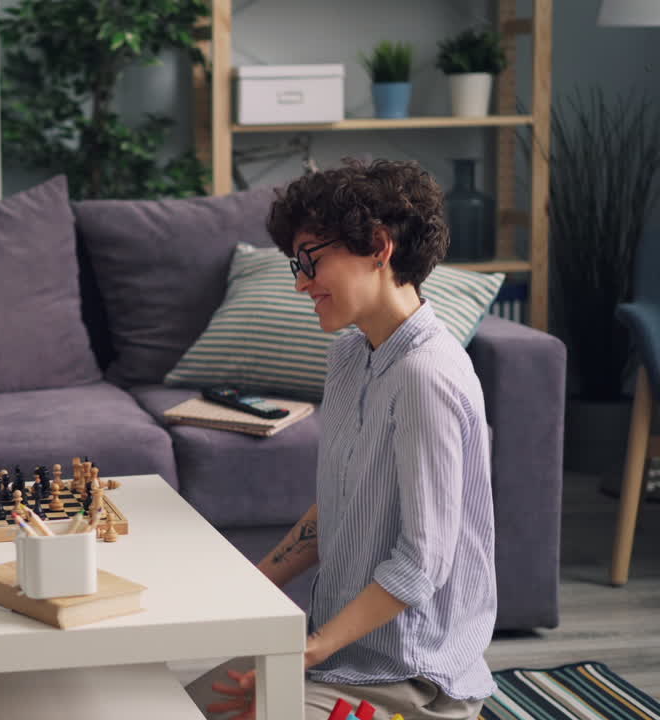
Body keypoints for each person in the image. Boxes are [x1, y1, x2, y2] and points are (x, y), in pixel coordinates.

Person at [186, 159, 496, 720]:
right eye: (294, 265)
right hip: (341, 655)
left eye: (311, 261)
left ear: (379, 247)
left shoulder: (427, 376)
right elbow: (336, 510)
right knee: (173, 701)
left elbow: (421, 564)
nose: (302, 282)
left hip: (409, 682)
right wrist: (243, 591)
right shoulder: (351, 355)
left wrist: (305, 652)